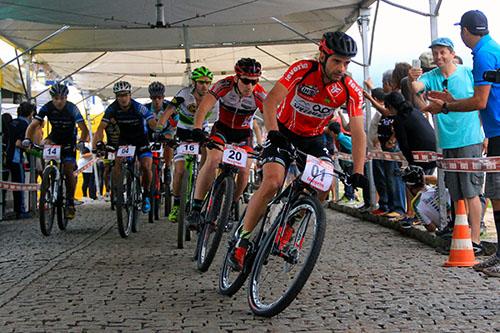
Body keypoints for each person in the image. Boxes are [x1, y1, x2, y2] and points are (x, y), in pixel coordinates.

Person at [228, 31, 368, 271]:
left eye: (347, 63)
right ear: (322, 56)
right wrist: (272, 132)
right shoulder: (303, 69)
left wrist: (358, 170)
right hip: (282, 130)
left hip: (313, 139)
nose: (342, 68)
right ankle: (243, 240)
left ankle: (288, 227)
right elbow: (271, 101)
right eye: (337, 61)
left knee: (324, 185)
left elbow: (358, 132)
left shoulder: (349, 88)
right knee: (272, 182)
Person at [424, 10, 499, 276]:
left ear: (465, 32)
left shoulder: (481, 57)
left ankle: (486, 248)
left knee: (486, 193)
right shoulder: (486, 51)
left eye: (443, 51)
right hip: (486, 131)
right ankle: (486, 249)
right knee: (485, 195)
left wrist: (447, 106)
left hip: (487, 133)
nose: (439, 56)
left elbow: (480, 101)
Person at [186, 59, 267, 231]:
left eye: (254, 81)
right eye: (245, 80)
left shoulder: (259, 94)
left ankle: (230, 206)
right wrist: (197, 128)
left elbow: (271, 118)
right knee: (213, 159)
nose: (249, 86)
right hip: (222, 129)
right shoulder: (224, 85)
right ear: (237, 77)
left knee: (245, 169)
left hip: (243, 134)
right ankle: (196, 207)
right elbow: (203, 108)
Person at [155, 66, 218, 223]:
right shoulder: (184, 94)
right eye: (201, 82)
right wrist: (159, 128)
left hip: (201, 131)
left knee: (207, 155)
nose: (205, 86)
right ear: (194, 83)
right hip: (183, 133)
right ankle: (177, 204)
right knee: (180, 170)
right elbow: (169, 110)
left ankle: (201, 181)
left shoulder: (213, 97)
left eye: (208, 83)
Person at [24, 83, 89, 219]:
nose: (59, 101)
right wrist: (27, 139)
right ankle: (49, 176)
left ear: (66, 98)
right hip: (54, 137)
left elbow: (83, 128)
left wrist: (81, 142)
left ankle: (70, 202)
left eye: (62, 98)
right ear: (52, 98)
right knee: (42, 145)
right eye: (56, 98)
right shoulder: (47, 107)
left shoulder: (72, 108)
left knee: (68, 170)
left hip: (69, 140)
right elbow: (33, 125)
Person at [93, 81, 156, 213]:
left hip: (141, 140)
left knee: (146, 166)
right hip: (125, 140)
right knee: (118, 163)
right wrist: (98, 142)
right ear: (116, 96)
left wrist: (157, 132)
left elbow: (151, 122)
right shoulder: (112, 108)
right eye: (120, 95)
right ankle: (118, 191)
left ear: (130, 95)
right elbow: (100, 128)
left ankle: (146, 195)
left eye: (125, 95)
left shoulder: (138, 107)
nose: (123, 98)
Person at [384, 91, 437, 174]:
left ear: (390, 106)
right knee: (428, 183)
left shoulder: (399, 119)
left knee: (417, 184)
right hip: (434, 153)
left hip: (420, 158)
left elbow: (404, 144)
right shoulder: (415, 111)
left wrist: (411, 164)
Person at [6, 102, 35, 218]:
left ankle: (17, 209)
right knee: (20, 185)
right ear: (30, 113)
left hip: (7, 156)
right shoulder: (24, 125)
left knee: (13, 185)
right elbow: (19, 143)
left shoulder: (12, 122)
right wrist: (30, 149)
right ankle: (21, 211)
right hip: (16, 158)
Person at [401, 165, 450, 232]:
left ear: (409, 185)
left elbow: (431, 228)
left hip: (446, 228)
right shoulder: (439, 190)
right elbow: (437, 180)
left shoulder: (416, 204)